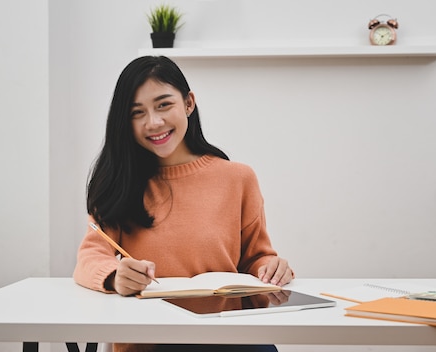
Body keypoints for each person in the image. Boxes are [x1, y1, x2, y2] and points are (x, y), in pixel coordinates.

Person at [73, 56, 294, 352]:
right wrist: (115, 276)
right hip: (151, 342)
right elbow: (90, 257)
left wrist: (271, 268)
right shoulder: (119, 184)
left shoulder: (238, 178)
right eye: (137, 113)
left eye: (164, 105)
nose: (153, 122)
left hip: (229, 338)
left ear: (189, 103)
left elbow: (256, 259)